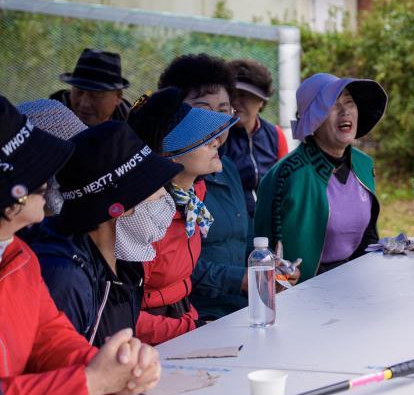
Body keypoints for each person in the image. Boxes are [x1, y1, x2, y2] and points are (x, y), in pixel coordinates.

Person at [0, 95, 160, 395]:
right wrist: (91, 383)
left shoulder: (20, 257)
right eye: (34, 167)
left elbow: (49, 339)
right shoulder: (54, 266)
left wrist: (119, 365)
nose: (48, 178)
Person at [158, 54, 293, 320]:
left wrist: (270, 266)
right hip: (193, 318)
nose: (215, 123)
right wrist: (240, 279)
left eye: (223, 111)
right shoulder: (159, 189)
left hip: (241, 309)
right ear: (172, 113)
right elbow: (169, 269)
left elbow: (245, 237)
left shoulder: (227, 168)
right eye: (202, 110)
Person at [23, 122, 182, 346]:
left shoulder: (126, 264)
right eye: (154, 188)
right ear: (117, 208)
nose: (165, 197)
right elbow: (62, 362)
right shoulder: (65, 278)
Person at [128, 88, 237, 343]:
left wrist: (194, 324)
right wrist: (191, 329)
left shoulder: (192, 197)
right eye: (200, 137)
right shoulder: (142, 218)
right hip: (149, 345)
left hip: (186, 323)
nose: (215, 141)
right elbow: (122, 315)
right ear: (168, 155)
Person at [254, 73, 385, 280]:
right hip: (302, 287)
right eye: (333, 104)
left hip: (355, 279)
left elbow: (368, 237)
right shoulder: (286, 175)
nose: (345, 111)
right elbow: (264, 249)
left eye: (349, 102)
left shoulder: (363, 164)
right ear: (313, 119)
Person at [225, 59, 289, 217]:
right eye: (232, 94)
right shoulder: (217, 137)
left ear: (261, 101)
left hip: (267, 219)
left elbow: (284, 183)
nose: (236, 101)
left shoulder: (275, 135)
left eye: (244, 95)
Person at [50, 49, 132, 126]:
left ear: (118, 97)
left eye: (96, 95)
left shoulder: (133, 127)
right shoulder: (49, 118)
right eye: (79, 92)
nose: (84, 104)